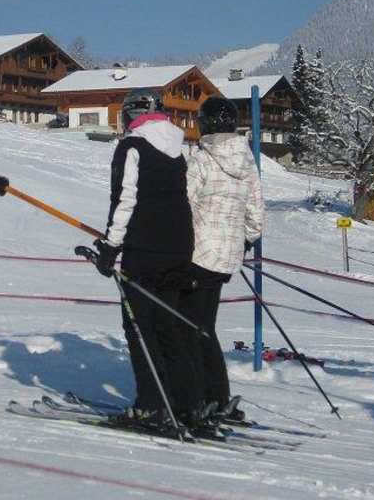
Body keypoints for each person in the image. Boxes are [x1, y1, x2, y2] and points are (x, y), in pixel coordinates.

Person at [93, 87, 201, 431]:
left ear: (132, 114)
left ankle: (151, 406)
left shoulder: (132, 146)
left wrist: (111, 247)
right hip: (180, 245)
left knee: (139, 327)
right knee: (166, 326)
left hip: (145, 249)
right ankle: (186, 402)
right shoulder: (177, 147)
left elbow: (124, 200)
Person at [179, 96, 264, 423]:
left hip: (198, 255)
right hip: (226, 258)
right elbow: (256, 216)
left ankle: (203, 397)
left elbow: (182, 204)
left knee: (190, 327)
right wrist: (240, 243)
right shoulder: (247, 161)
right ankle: (215, 396)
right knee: (203, 325)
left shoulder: (201, 160)